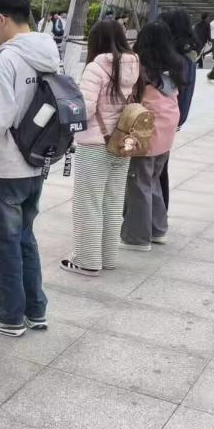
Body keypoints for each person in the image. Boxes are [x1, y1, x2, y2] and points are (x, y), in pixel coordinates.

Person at [0, 0, 58, 338]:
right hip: (36, 160)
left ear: (2, 19)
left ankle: (8, 315)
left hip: (4, 165)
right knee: (24, 238)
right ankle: (35, 309)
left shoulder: (8, 57)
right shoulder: (49, 53)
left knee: (2, 242)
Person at [61, 20, 141, 277]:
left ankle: (87, 260)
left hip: (95, 145)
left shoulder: (96, 68)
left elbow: (85, 109)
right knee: (113, 202)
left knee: (88, 203)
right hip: (122, 142)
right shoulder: (133, 64)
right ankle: (108, 257)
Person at [122, 20, 182, 250]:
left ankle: (136, 238)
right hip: (166, 132)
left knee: (139, 184)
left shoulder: (141, 70)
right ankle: (158, 229)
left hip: (146, 132)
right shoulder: (174, 68)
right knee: (152, 180)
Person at [158, 9, 198, 209]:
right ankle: (160, 212)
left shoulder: (176, 57)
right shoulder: (188, 52)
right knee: (161, 166)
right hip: (175, 115)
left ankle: (157, 213)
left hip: (166, 116)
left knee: (156, 168)